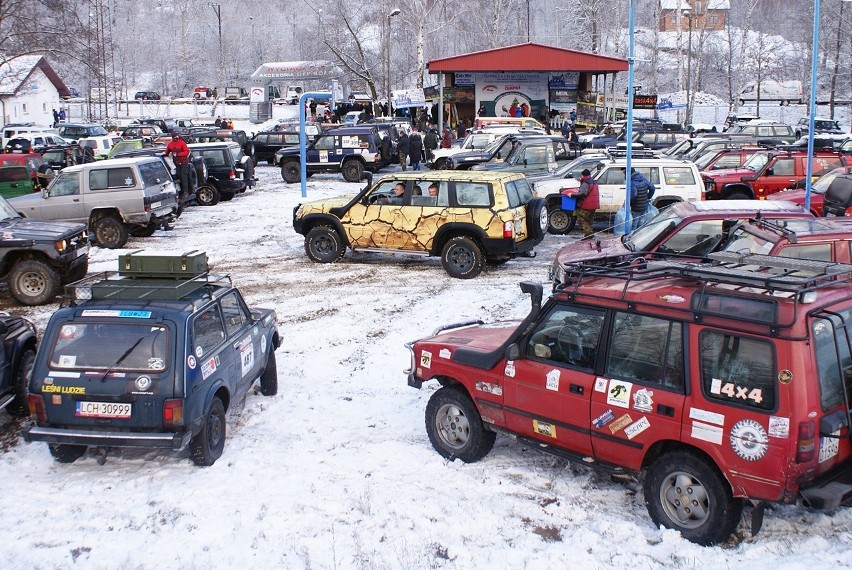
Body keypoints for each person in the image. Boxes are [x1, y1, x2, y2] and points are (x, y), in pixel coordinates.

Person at [163, 131, 192, 202]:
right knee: (179, 176)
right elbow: (167, 151)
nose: (176, 138)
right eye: (175, 137)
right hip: (176, 163)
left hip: (184, 163)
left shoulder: (182, 143)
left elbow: (186, 152)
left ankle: (185, 192)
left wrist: (178, 154)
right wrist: (164, 153)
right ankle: (182, 191)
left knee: (183, 176)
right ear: (173, 137)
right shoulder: (170, 144)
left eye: (177, 136)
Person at [573, 169, 600, 238]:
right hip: (594, 205)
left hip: (587, 205)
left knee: (580, 219)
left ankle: (589, 234)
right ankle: (588, 236)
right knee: (588, 220)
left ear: (583, 175)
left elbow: (582, 194)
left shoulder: (586, 183)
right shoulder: (593, 182)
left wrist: (572, 195)